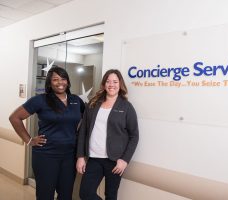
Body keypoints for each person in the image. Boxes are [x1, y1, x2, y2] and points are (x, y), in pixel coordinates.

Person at [9, 66, 85, 200]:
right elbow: (15, 118)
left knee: (66, 195)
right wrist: (29, 140)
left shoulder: (76, 100)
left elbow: (85, 121)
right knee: (45, 195)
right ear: (49, 83)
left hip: (69, 156)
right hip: (46, 156)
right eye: (55, 79)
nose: (60, 82)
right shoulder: (41, 100)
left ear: (67, 81)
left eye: (63, 79)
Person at [76, 69, 139, 200]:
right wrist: (80, 156)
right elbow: (83, 131)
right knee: (85, 194)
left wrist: (125, 160)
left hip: (115, 161)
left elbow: (134, 136)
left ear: (120, 84)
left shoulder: (126, 107)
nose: (111, 85)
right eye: (108, 81)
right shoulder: (93, 103)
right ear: (104, 84)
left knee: (111, 196)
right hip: (93, 158)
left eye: (115, 81)